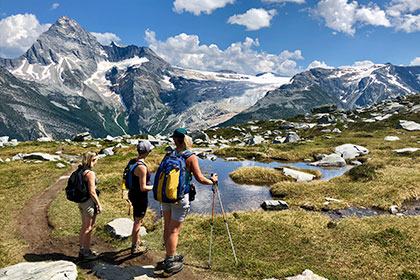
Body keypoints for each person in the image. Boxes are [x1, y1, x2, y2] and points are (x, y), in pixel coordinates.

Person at [161, 128, 218, 275]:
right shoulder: (190, 156)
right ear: (186, 139)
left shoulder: (169, 154)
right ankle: (170, 261)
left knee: (167, 227)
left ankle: (169, 255)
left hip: (166, 196)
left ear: (175, 140)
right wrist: (212, 181)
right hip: (180, 197)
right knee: (175, 230)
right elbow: (199, 178)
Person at [128, 140, 154, 254]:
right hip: (140, 197)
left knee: (138, 219)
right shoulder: (142, 167)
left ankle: (137, 241)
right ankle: (134, 247)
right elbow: (143, 187)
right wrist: (156, 187)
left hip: (134, 194)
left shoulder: (134, 161)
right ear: (147, 151)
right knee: (138, 222)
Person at [78, 151, 102, 260]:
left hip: (81, 201)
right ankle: (86, 253)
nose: (97, 162)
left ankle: (82, 249)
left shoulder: (81, 170)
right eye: (96, 160)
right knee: (89, 228)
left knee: (84, 227)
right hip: (88, 202)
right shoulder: (90, 173)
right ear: (92, 160)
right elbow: (92, 192)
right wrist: (98, 204)